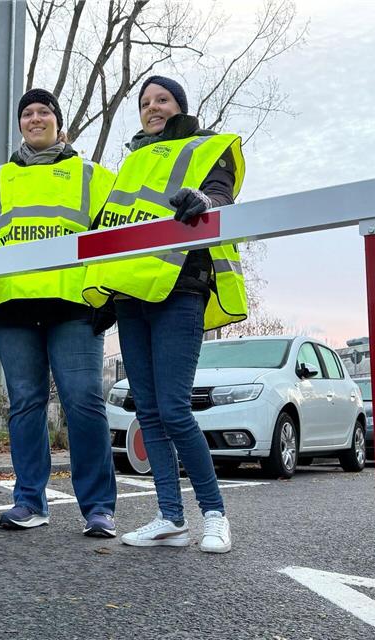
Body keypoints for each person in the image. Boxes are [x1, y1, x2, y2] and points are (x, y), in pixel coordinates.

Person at [81, 76, 248, 553]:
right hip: (133, 298)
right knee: (148, 412)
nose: (153, 108)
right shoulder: (131, 164)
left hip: (181, 288)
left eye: (162, 100)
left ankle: (214, 515)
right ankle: (170, 518)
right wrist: (107, 298)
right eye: (145, 102)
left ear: (180, 106)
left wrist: (205, 202)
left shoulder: (208, 146)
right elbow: (113, 229)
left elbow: (220, 192)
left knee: (174, 409)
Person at [0, 89, 118, 537]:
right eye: (27, 112)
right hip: (13, 307)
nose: (34, 118)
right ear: (21, 125)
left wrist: (112, 297)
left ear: (59, 125)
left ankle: (99, 508)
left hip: (74, 305)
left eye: (44, 111)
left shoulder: (92, 176)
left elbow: (114, 237)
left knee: (83, 402)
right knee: (25, 404)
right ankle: (29, 502)